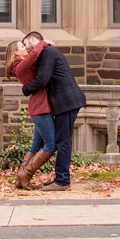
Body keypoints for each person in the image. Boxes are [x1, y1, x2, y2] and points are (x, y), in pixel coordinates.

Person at [21, 31, 87, 191]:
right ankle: (60, 179)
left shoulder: (48, 52)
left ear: (32, 40)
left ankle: (62, 181)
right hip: (64, 102)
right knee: (60, 140)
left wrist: (26, 89)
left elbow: (42, 79)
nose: (25, 48)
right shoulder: (46, 52)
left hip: (68, 101)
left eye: (25, 44)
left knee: (63, 141)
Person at [4, 39, 55, 189]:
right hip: (40, 108)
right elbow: (33, 55)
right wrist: (43, 43)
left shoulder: (21, 65)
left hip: (40, 107)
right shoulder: (19, 66)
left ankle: (20, 178)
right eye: (22, 46)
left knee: (35, 146)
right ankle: (25, 174)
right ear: (16, 53)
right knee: (51, 146)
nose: (26, 48)